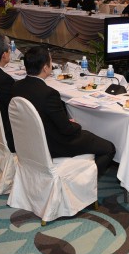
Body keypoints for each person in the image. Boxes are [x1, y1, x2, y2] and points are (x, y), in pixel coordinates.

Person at [12, 46, 115, 176]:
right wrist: (76, 125)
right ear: (45, 68)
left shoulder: (16, 86)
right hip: (54, 145)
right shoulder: (49, 94)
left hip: (28, 141)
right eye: (51, 61)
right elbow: (67, 130)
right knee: (109, 148)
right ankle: (84, 182)